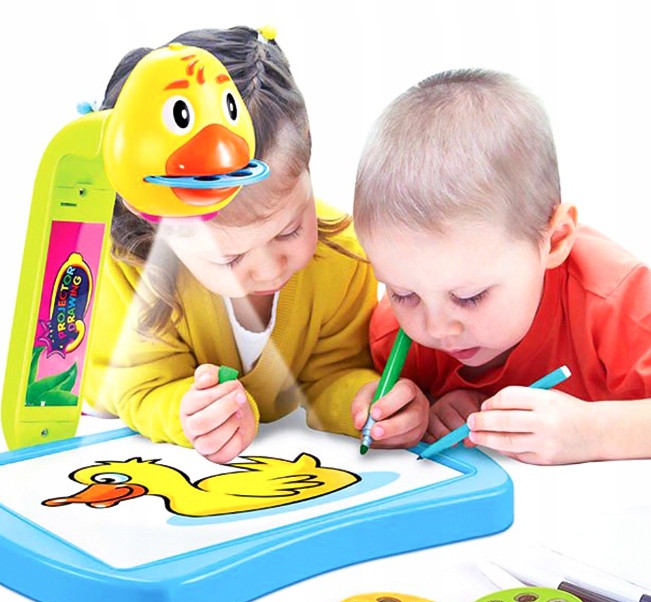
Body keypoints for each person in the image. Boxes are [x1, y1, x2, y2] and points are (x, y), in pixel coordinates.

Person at [83, 26, 429, 463]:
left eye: (289, 230)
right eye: (228, 257)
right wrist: (188, 414)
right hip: (96, 425)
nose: (269, 269)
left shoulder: (343, 256)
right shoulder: (135, 268)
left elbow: (332, 370)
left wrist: (364, 403)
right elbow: (143, 387)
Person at [351, 68, 651, 464]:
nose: (437, 328)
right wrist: (421, 407)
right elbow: (366, 385)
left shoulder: (613, 302)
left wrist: (595, 433)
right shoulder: (399, 331)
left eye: (470, 297)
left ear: (556, 239)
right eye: (403, 294)